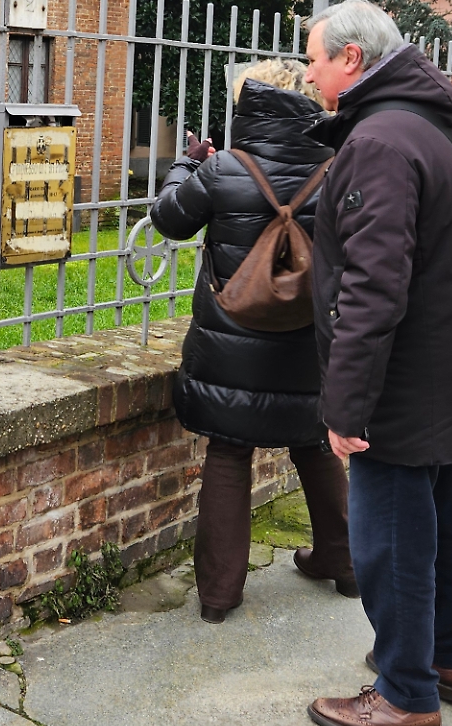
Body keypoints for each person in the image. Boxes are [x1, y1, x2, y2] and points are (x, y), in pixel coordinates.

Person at [301, 0, 452, 726]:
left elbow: (372, 284)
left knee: (391, 539)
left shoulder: (382, 140)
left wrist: (346, 406)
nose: (309, 71)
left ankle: (404, 693)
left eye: (316, 58)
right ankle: (446, 660)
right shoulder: (435, 122)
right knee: (449, 525)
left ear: (352, 60)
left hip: (410, 382)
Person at [149, 59, 357, 625]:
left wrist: (183, 167)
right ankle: (344, 565)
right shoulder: (337, 167)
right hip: (308, 341)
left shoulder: (224, 171)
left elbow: (169, 220)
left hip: (230, 342)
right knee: (315, 445)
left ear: (249, 104)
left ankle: (219, 595)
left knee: (229, 450)